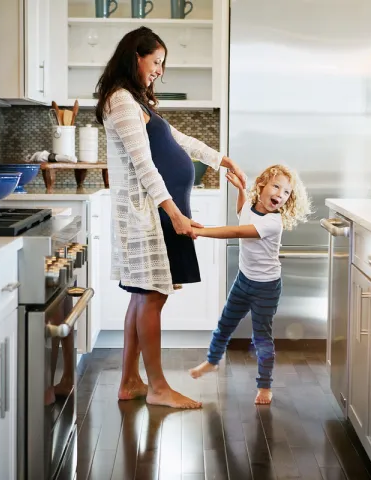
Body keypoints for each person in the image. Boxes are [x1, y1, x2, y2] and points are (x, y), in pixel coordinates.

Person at [94, 26, 246, 409]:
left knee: (142, 297)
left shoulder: (135, 101)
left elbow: (177, 140)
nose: (160, 70)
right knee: (152, 296)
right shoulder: (122, 102)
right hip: (150, 216)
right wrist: (175, 213)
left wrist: (221, 159)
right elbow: (143, 166)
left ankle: (130, 381)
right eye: (156, 61)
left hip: (157, 214)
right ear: (136, 57)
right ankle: (159, 387)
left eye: (163, 63)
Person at [189, 164, 311, 405]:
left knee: (261, 338)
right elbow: (242, 213)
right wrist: (241, 190)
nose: (280, 194)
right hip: (244, 280)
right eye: (276, 186)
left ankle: (264, 386)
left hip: (266, 287)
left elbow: (236, 231)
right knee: (224, 324)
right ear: (262, 185)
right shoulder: (251, 207)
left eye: (286, 192)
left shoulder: (273, 223)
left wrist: (200, 232)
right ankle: (212, 362)